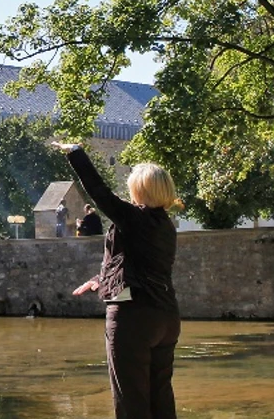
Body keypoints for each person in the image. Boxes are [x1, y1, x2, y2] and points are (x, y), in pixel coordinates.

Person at [56, 142, 181, 419]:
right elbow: (137, 263)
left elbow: (100, 193)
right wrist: (100, 279)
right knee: (160, 396)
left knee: (131, 401)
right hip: (166, 317)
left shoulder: (135, 218)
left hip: (133, 317)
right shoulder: (165, 226)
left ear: (141, 189)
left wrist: (75, 153)